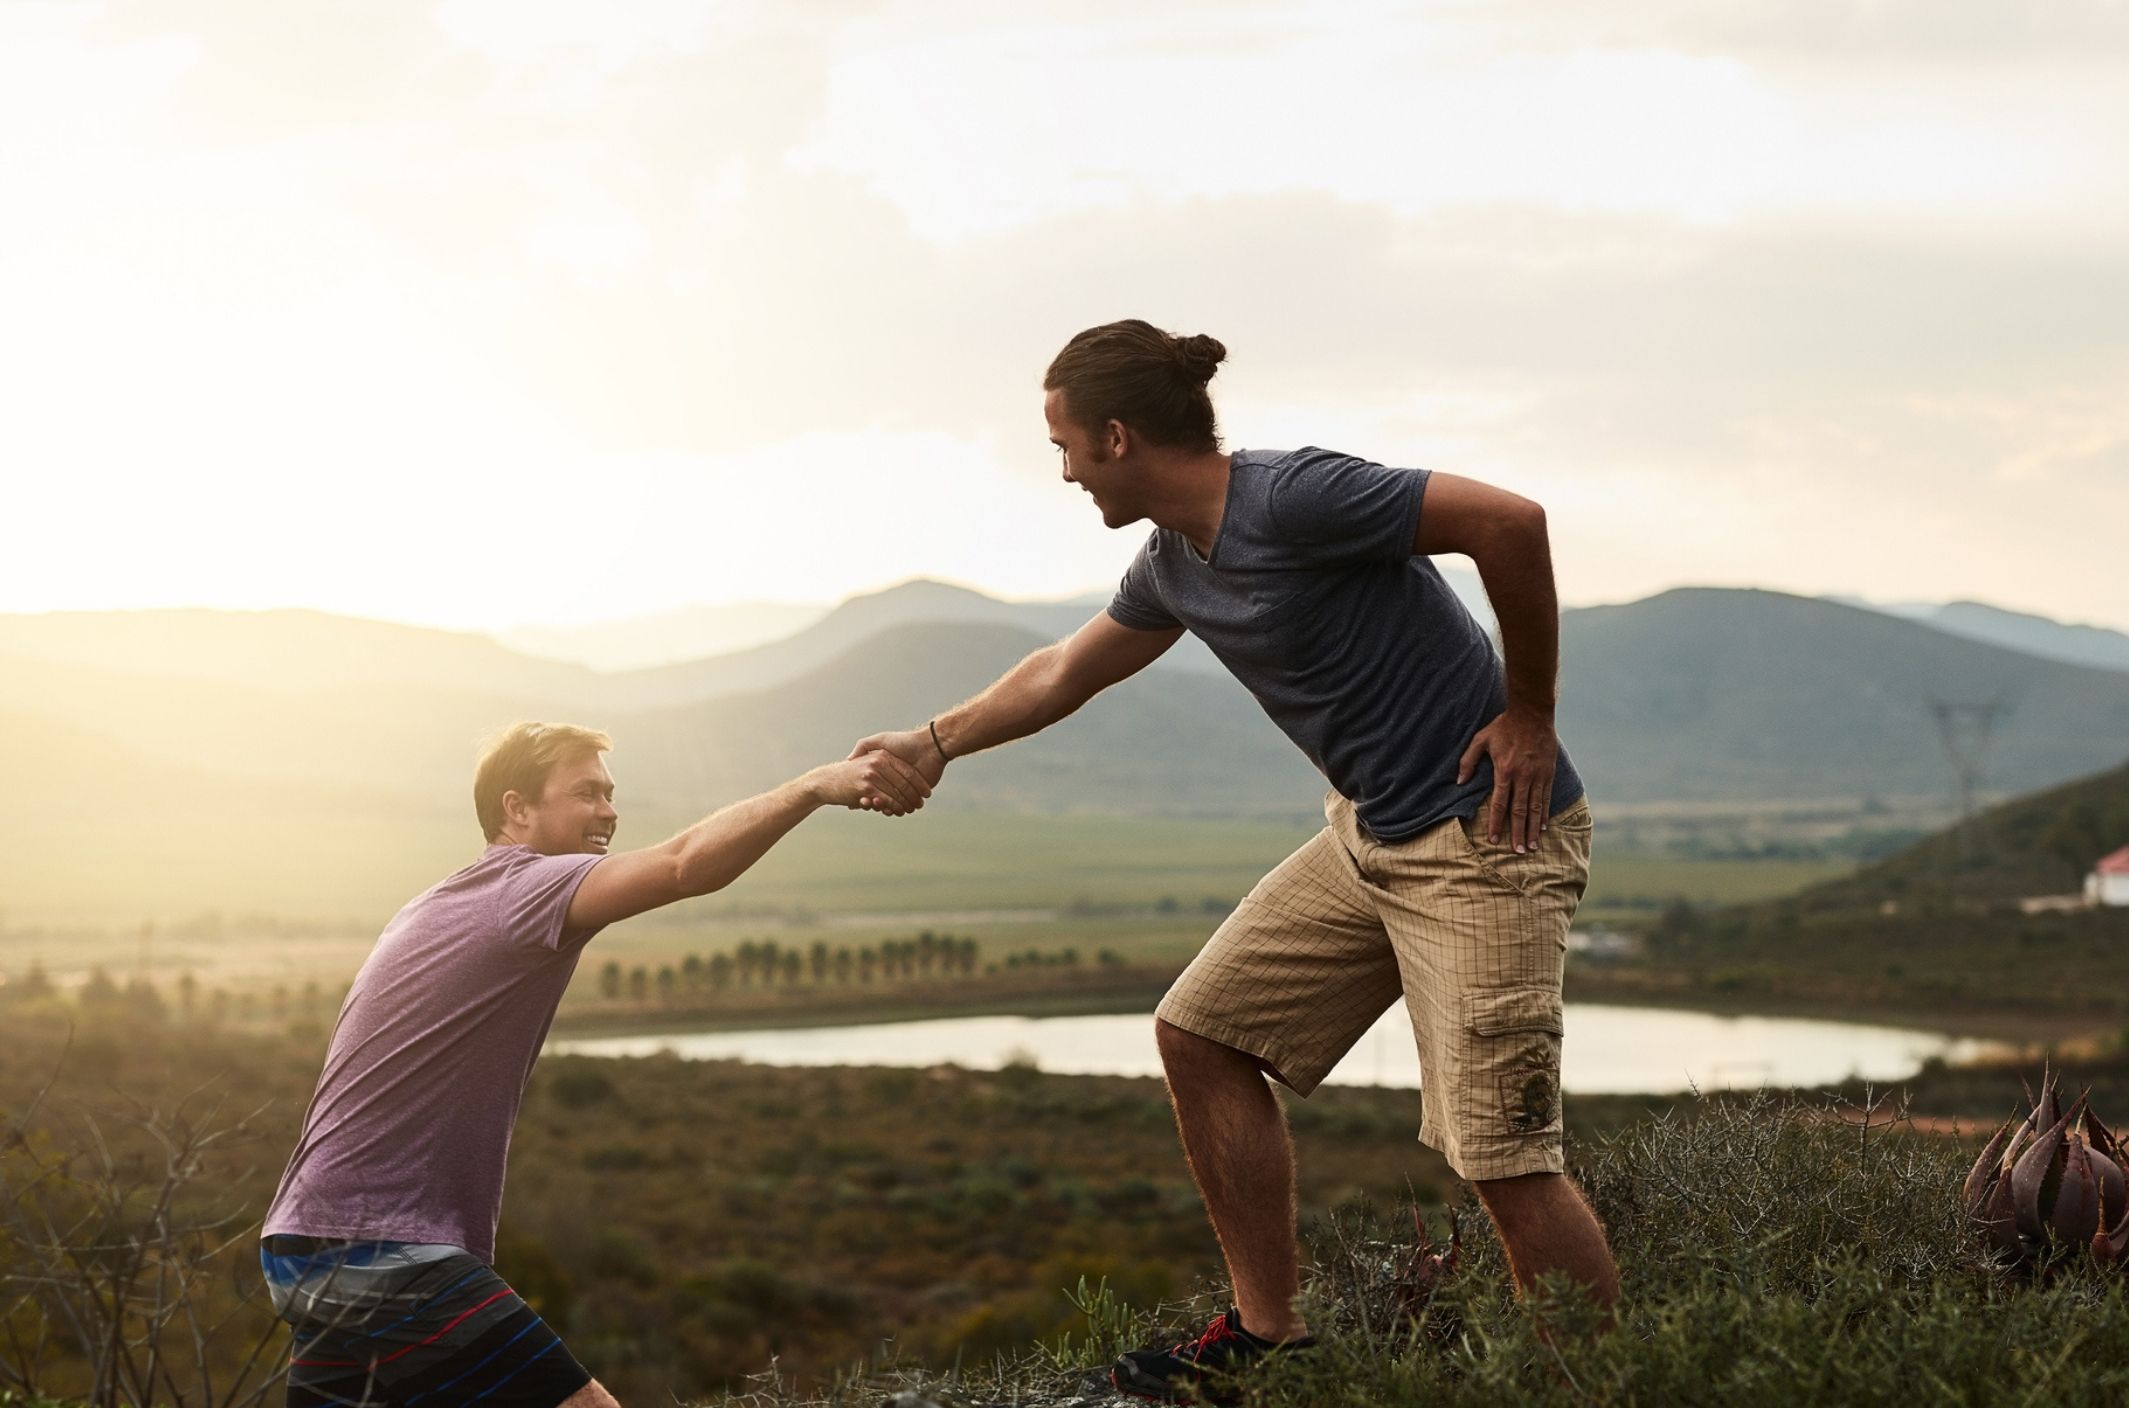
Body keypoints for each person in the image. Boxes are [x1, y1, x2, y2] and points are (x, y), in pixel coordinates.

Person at [849, 319, 1617, 1402]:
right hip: (1370, 835)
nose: (1062, 470)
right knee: (1200, 1031)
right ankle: (1269, 1332)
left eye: (1064, 445)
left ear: (1116, 436)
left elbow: (1507, 520)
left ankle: (1596, 1387)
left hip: (1482, 838)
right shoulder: (1172, 562)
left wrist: (1529, 714)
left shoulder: (1294, 497)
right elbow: (1064, 667)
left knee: (1500, 1154)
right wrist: (931, 742)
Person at [259, 722, 931, 1408]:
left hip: (304, 1243)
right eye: (586, 793)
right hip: (384, 1247)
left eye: (610, 794)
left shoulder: (442, 900)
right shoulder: (524, 890)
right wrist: (811, 786)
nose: (609, 811)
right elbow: (681, 866)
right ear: (516, 809)